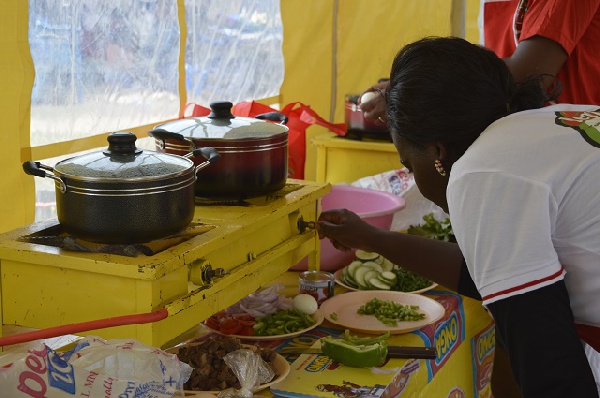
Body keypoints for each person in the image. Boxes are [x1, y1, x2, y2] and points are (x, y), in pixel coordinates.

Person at [317, 36, 600, 397]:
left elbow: (551, 369)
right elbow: (481, 274)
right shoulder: (549, 121)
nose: (413, 174)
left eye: (408, 163)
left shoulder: (482, 170)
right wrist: (373, 239)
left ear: (437, 151)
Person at [359, 0, 600, 120]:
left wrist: (414, 87)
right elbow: (486, 67)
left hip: (571, 140)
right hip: (521, 135)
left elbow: (526, 76)